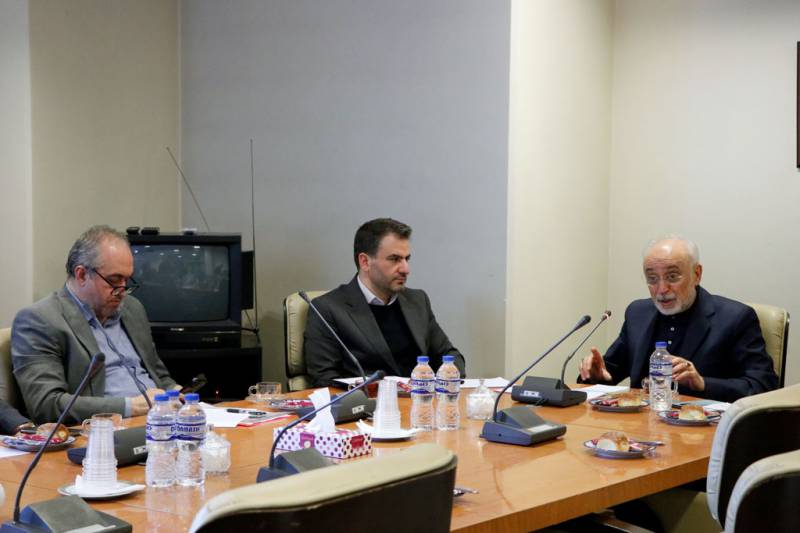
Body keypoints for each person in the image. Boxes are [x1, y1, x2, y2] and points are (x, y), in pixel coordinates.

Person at [12, 225, 180, 424]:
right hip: (107, 429)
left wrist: (176, 392)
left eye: (127, 280)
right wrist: (131, 406)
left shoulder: (132, 308)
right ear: (82, 275)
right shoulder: (40, 320)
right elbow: (46, 405)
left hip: (160, 420)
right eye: (114, 280)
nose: (122, 291)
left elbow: (157, 373)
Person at [579, 236, 778, 403]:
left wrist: (703, 383)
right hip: (640, 428)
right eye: (652, 279)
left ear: (697, 274)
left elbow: (764, 387)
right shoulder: (637, 313)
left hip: (702, 429)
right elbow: (609, 372)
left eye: (672, 277)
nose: (662, 289)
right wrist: (596, 375)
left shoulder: (735, 318)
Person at [305, 218, 465, 387]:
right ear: (365, 262)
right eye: (395, 259)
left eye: (406, 259)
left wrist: (448, 377)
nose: (405, 269)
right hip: (370, 402)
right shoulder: (328, 309)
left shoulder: (417, 300)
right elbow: (324, 379)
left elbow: (449, 355)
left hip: (422, 398)